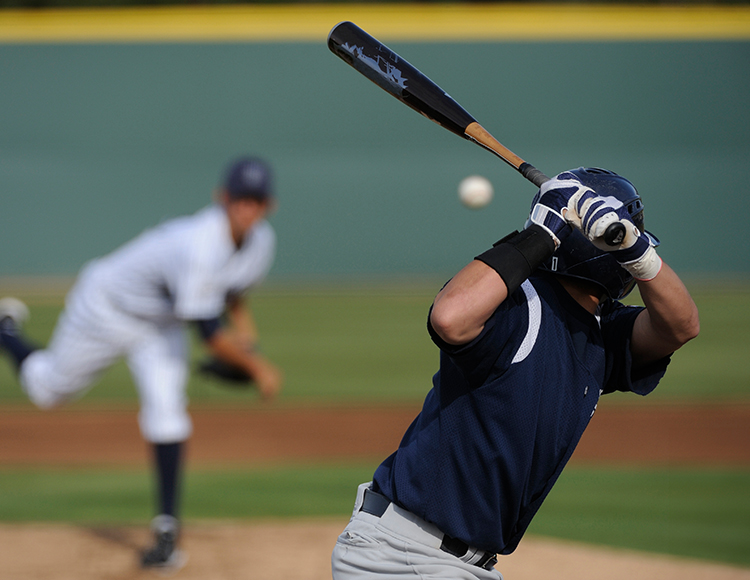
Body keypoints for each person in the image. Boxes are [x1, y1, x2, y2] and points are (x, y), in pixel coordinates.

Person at [331, 167, 699, 579]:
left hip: (457, 565)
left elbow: (681, 327)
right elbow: (449, 317)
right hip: (403, 556)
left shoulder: (602, 333)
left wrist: (636, 249)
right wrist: (544, 232)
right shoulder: (519, 303)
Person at [0, 156, 283, 571]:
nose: (247, 208)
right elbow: (207, 332)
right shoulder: (201, 243)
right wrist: (258, 368)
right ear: (223, 198)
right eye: (240, 199)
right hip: (106, 307)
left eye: (255, 201)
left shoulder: (261, 243)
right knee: (46, 391)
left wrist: (248, 336)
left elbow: (233, 292)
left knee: (168, 416)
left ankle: (166, 534)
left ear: (268, 205)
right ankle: (6, 331)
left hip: (159, 326)